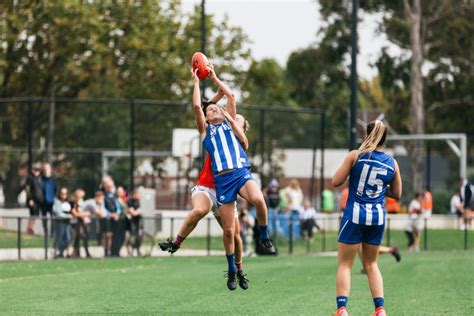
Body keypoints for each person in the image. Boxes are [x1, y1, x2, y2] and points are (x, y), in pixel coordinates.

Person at [160, 66, 253, 290]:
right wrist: (202, 81)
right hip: (206, 186)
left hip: (226, 190)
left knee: (234, 235)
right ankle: (176, 243)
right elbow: (203, 108)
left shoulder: (237, 139)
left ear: (240, 126)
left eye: (237, 117)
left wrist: (219, 97)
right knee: (200, 209)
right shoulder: (214, 129)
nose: (233, 116)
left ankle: (238, 271)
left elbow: (225, 103)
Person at [191, 66, 276, 290]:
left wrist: (214, 77)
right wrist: (198, 81)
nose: (213, 111)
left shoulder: (232, 126)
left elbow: (230, 96)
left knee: (259, 200)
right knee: (229, 231)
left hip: (240, 174)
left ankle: (264, 236)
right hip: (222, 181)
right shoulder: (207, 131)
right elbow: (199, 107)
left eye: (215, 110)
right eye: (211, 112)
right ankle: (232, 270)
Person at [331, 120, 402, 316]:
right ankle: (380, 310)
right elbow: (397, 193)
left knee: (345, 264)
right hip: (377, 217)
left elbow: (336, 181)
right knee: (371, 264)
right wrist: (378, 189)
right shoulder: (392, 163)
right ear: (385, 139)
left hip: (354, 214)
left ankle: (342, 310)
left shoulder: (355, 156)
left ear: (366, 136)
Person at [70, 189, 92, 258]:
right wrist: (82, 214)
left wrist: (82, 214)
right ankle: (76, 252)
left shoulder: (83, 203)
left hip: (83, 222)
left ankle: (85, 252)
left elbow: (89, 212)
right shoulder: (73, 203)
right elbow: (75, 213)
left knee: (84, 237)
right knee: (77, 238)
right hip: (76, 222)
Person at [53, 187, 73, 258]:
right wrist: (67, 216)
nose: (64, 195)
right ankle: (59, 252)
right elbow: (58, 213)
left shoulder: (68, 202)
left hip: (67, 222)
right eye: (62, 193)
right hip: (60, 222)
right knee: (60, 238)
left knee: (68, 238)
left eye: (65, 193)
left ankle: (62, 251)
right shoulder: (57, 202)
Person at [25, 163, 44, 235]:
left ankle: (31, 229)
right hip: (32, 200)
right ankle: (29, 229)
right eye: (35, 170)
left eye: (38, 170)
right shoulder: (30, 178)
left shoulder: (39, 178)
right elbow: (27, 189)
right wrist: (30, 199)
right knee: (32, 214)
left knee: (36, 214)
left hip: (38, 200)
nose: (37, 171)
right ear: (32, 170)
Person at [41, 162, 57, 236]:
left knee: (53, 218)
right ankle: (46, 232)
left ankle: (52, 233)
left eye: (47, 169)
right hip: (43, 202)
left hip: (52, 202)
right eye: (45, 169)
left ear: (50, 170)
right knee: (44, 218)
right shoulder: (41, 180)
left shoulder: (53, 180)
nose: (46, 171)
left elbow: (55, 190)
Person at [126, 189, 144, 257]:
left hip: (138, 221)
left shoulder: (138, 201)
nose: (139, 196)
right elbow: (132, 212)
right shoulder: (129, 201)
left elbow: (139, 210)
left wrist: (137, 211)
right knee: (132, 237)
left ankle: (138, 251)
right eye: (138, 194)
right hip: (132, 222)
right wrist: (137, 212)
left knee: (139, 236)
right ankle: (130, 252)